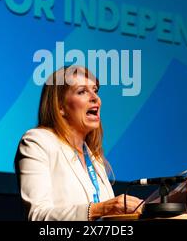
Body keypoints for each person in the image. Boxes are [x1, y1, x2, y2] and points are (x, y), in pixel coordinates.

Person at [15, 65, 143, 221]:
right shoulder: (37, 142)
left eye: (95, 90)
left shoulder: (93, 157)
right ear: (60, 106)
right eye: (82, 91)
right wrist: (101, 209)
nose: (95, 98)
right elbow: (37, 216)